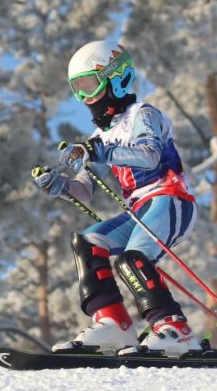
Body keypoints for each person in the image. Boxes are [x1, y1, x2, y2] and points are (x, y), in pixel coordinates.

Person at [33, 40, 201, 356]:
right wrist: (61, 186)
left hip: (170, 200)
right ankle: (114, 323)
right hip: (140, 210)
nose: (86, 97)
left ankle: (175, 329)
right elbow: (86, 189)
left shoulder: (143, 115)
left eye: (91, 85)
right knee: (87, 243)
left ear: (117, 78)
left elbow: (150, 156)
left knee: (132, 260)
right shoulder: (99, 138)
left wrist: (101, 151)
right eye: (78, 89)